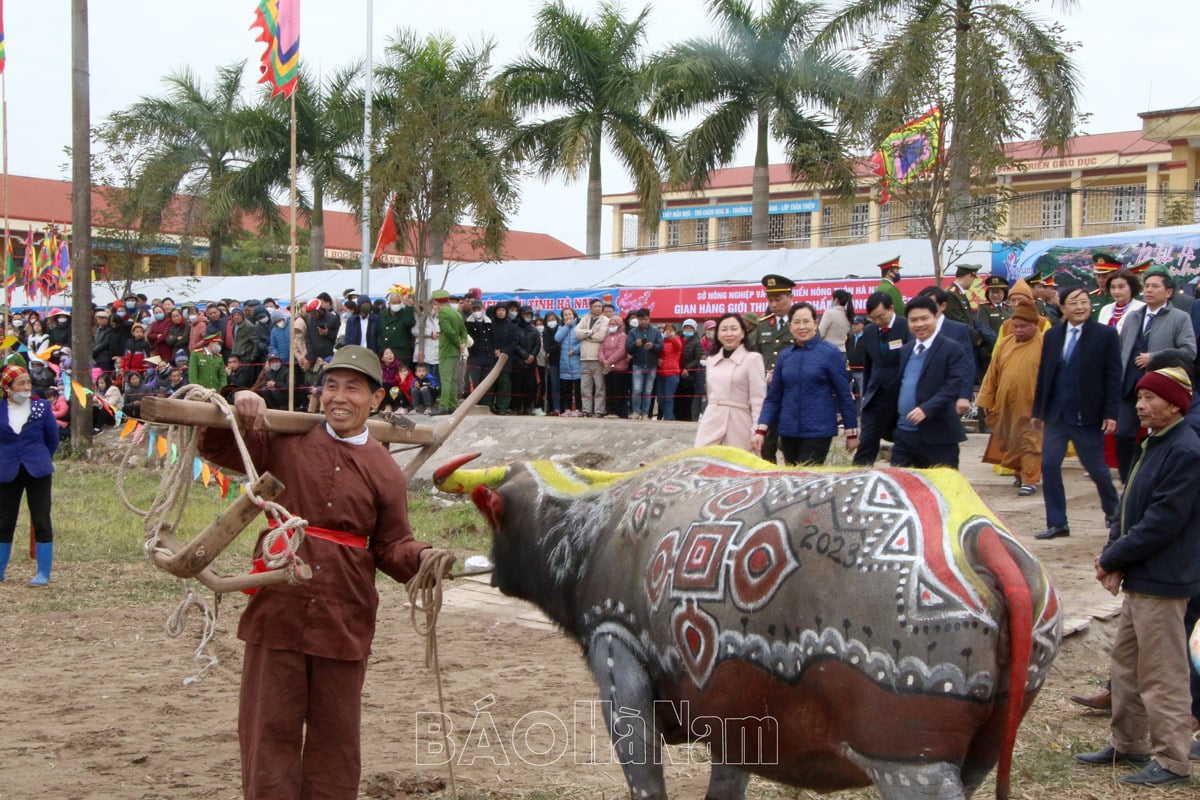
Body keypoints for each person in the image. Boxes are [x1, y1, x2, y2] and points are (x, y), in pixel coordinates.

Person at [197, 346, 453, 800]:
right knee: (268, 728)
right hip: (279, 598)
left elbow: (391, 545)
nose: (339, 397)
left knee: (336, 737)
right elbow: (219, 443)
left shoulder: (384, 470)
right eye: (330, 386)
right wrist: (238, 401)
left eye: (353, 388)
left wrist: (425, 559)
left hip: (344, 613)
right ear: (318, 393)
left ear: (374, 400)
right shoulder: (285, 438)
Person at [1074, 366, 1200, 787]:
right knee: (1125, 664)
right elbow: (1128, 507)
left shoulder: (1186, 450)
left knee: (1163, 673)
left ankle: (1172, 761)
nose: (1141, 406)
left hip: (1164, 580)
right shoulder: (1154, 443)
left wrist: (1114, 559)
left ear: (1174, 404)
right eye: (1139, 399)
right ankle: (1128, 743)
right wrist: (1113, 553)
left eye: (1150, 399)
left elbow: (1162, 522)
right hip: (1141, 576)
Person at [1030, 286, 1123, 540]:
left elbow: (1114, 378)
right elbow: (1044, 376)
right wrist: (1038, 410)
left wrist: (1110, 413)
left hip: (1087, 415)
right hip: (1056, 415)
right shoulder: (1052, 335)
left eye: (1084, 302)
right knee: (1049, 466)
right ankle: (1058, 522)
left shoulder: (1105, 335)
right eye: (1074, 302)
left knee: (1097, 469)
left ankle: (1114, 512)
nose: (1080, 307)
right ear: (1063, 308)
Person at [1115, 270, 1197, 483]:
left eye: (1155, 286)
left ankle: (1152, 478)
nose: (1149, 290)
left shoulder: (1180, 318)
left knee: (1157, 435)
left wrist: (1156, 357)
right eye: (1147, 286)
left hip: (1160, 388)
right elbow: (1122, 348)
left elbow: (1190, 351)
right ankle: (1128, 480)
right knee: (1123, 434)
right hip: (1130, 387)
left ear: (1169, 292)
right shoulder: (1133, 317)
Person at [752, 302, 857, 466]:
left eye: (806, 321)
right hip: (788, 430)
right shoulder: (785, 356)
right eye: (797, 322)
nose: (802, 327)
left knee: (807, 478)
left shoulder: (829, 353)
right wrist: (761, 429)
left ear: (815, 323)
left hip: (818, 430)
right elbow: (773, 397)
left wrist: (852, 432)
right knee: (794, 479)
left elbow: (843, 394)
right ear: (790, 326)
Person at [889, 296, 972, 469]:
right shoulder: (905, 351)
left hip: (938, 435)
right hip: (904, 434)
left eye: (924, 318)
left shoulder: (951, 348)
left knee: (941, 489)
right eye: (913, 320)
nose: (919, 324)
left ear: (936, 317)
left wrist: (926, 409)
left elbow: (952, 386)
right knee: (900, 487)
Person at [975, 303, 1045, 496]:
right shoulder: (1006, 343)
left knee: (1032, 441)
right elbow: (992, 373)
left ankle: (1030, 479)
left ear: (1035, 325)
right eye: (1016, 326)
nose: (1019, 330)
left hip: (1033, 405)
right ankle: (1019, 473)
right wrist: (987, 400)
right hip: (1006, 403)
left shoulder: (1044, 344)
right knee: (1010, 440)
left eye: (1023, 326)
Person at [0, 365, 59, 586]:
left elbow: (52, 439)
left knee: (42, 519)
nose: (26, 387)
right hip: (6, 471)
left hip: (38, 470)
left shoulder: (41, 407)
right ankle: (0, 570)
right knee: (4, 521)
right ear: (8, 388)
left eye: (28, 382)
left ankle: (43, 573)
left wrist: (40, 457)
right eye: (21, 383)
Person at [853, 292, 911, 466]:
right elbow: (868, 365)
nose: (878, 322)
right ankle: (860, 473)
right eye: (873, 319)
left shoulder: (906, 327)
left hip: (899, 394)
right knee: (868, 439)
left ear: (891, 309)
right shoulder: (870, 331)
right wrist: (866, 392)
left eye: (881, 317)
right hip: (876, 394)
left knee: (903, 442)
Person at [694, 313, 765, 451]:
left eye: (734, 329)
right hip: (711, 420)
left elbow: (758, 399)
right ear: (718, 334)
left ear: (743, 333)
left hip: (739, 422)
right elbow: (710, 394)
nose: (729, 334)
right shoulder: (712, 360)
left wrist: (758, 430)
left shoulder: (752, 359)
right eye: (724, 329)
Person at [751, 274, 797, 462]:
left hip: (793, 391)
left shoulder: (800, 322)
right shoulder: (763, 325)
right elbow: (755, 355)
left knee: (790, 441)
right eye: (771, 300)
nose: (775, 304)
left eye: (779, 300)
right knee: (767, 439)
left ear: (790, 297)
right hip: (769, 393)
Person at [433, 290, 469, 415]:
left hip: (447, 351)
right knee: (453, 379)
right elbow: (464, 331)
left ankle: (443, 406)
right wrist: (462, 342)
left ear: (437, 303)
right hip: (456, 352)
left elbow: (449, 332)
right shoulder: (456, 313)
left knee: (446, 379)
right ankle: (453, 404)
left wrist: (458, 344)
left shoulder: (442, 314)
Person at [626, 308, 663, 421]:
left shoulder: (656, 332)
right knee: (637, 390)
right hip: (638, 364)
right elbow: (628, 348)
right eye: (641, 319)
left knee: (648, 391)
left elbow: (661, 347)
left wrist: (653, 346)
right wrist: (635, 345)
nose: (643, 321)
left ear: (649, 318)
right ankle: (636, 412)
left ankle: (645, 413)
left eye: (645, 319)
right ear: (638, 319)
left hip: (651, 365)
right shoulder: (633, 332)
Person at [577, 298, 608, 417]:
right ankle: (586, 410)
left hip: (597, 358)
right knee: (585, 386)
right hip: (584, 358)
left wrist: (586, 336)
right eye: (596, 306)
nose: (598, 308)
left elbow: (601, 336)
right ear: (590, 307)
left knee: (599, 386)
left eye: (600, 306)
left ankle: (599, 410)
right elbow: (577, 332)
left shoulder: (605, 320)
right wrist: (590, 332)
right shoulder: (585, 318)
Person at [600, 313, 630, 419]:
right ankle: (611, 411)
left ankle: (620, 413)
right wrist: (604, 361)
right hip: (608, 369)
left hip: (619, 368)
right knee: (609, 391)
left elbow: (621, 350)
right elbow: (601, 350)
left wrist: (609, 360)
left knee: (619, 391)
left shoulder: (623, 336)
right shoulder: (606, 337)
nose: (612, 326)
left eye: (614, 324)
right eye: (610, 324)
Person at [556, 306, 583, 416]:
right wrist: (566, 327)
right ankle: (566, 409)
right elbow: (557, 338)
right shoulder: (561, 327)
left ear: (574, 315)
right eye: (565, 315)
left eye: (570, 314)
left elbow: (584, 341)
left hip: (577, 362)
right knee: (565, 390)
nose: (568, 316)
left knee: (578, 389)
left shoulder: (579, 326)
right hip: (564, 364)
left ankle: (578, 409)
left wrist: (576, 350)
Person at [818, 289, 853, 354]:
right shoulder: (848, 315)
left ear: (836, 300)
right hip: (842, 351)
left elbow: (820, 333)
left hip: (828, 351)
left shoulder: (829, 313)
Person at [540, 311, 562, 415]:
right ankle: (556, 408)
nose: (551, 321)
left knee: (565, 386)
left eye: (553, 319)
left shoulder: (561, 329)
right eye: (549, 320)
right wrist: (558, 346)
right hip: (553, 363)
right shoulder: (546, 332)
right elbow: (547, 348)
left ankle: (565, 407)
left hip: (565, 362)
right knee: (554, 386)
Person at [1090, 251, 1120, 321]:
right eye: (1098, 276)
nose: (1100, 280)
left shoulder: (1127, 296)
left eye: (1105, 277)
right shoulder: (1091, 298)